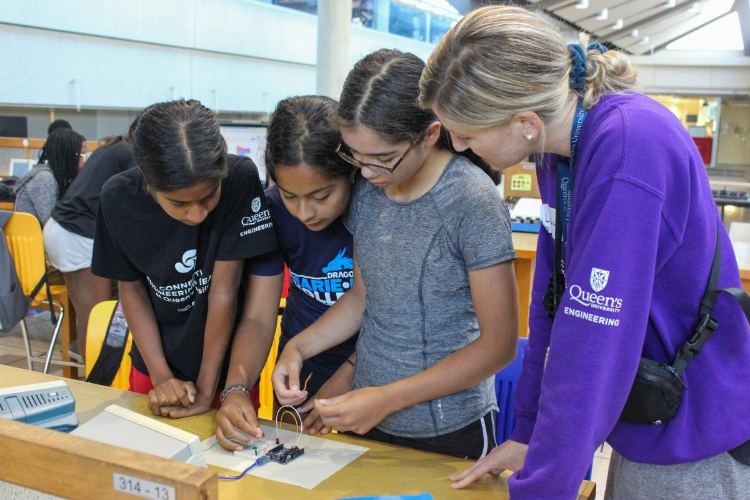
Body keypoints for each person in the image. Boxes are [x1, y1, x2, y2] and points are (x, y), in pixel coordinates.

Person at [419, 5, 750, 499]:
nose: (461, 148)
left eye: (466, 135)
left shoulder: (629, 148)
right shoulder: (561, 153)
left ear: (526, 121)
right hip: (646, 420)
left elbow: (593, 343)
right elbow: (552, 306)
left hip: (696, 436)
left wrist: (543, 487)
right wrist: (527, 434)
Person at [272, 49, 519, 460]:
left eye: (383, 159)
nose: (367, 173)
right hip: (370, 419)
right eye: (356, 156)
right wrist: (296, 347)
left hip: (448, 429)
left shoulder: (470, 200)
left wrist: (386, 398)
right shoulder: (370, 191)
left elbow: (499, 345)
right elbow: (362, 298)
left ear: (430, 134)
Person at [92, 99, 279, 419]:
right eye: (179, 203)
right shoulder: (118, 198)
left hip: (228, 372)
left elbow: (224, 291)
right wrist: (162, 377)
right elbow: (132, 290)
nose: (198, 213)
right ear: (149, 182)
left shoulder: (239, 180)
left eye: (209, 196)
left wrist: (209, 389)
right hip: (154, 363)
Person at [215, 95, 358, 449]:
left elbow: (381, 307)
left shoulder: (374, 207)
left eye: (321, 196)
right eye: (290, 195)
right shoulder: (273, 209)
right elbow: (259, 318)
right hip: (301, 370)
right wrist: (237, 388)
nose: (305, 212)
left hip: (374, 367)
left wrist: (355, 372)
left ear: (352, 171)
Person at [44, 135, 135, 362]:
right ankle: (95, 382)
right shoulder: (134, 154)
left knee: (87, 316)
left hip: (62, 229)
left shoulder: (116, 147)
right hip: (77, 235)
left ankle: (86, 359)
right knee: (97, 318)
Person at [14, 128, 86, 226]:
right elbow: (52, 224)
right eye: (81, 154)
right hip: (36, 239)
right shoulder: (44, 178)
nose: (84, 160)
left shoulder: (56, 177)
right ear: (67, 155)